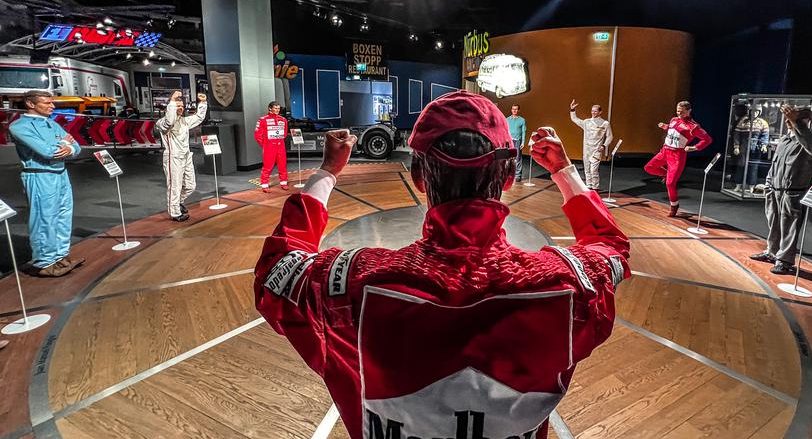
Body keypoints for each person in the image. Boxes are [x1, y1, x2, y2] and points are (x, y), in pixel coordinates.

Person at [255, 91, 630, 439]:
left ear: (418, 177)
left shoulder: (349, 286)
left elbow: (277, 270)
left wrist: (326, 173)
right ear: (511, 175)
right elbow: (610, 246)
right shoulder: (569, 285)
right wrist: (565, 171)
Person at [8, 90, 83, 277]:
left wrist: (67, 146)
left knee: (63, 215)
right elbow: (47, 152)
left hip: (60, 174)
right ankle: (46, 262)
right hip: (40, 176)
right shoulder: (19, 126)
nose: (52, 106)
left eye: (52, 102)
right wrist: (64, 144)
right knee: (44, 218)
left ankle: (60, 256)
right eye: (47, 103)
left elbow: (77, 147)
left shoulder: (52, 123)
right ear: (30, 104)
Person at [749, 105, 812, 275]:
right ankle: (772, 252)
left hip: (792, 192)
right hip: (775, 189)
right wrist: (768, 184)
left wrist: (798, 123)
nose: (790, 121)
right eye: (790, 117)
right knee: (773, 222)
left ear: (807, 120)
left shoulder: (809, 141)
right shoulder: (784, 140)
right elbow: (775, 164)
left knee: (789, 227)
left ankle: (785, 260)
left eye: (797, 117)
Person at [644, 100, 712, 216]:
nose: (679, 114)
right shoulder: (674, 119)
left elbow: (707, 139)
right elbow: (673, 129)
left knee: (670, 184)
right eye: (677, 111)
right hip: (664, 151)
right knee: (649, 168)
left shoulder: (693, 126)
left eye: (681, 112)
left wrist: (694, 147)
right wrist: (664, 126)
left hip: (677, 156)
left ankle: (674, 206)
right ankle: (666, 174)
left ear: (689, 111)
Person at [156, 90, 207, 222]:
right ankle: (174, 212)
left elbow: (199, 118)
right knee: (175, 186)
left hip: (186, 156)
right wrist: (173, 100)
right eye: (178, 106)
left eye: (182, 106)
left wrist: (203, 103)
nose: (180, 108)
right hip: (173, 157)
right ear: (171, 106)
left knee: (191, 185)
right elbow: (169, 121)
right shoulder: (162, 123)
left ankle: (178, 201)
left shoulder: (184, 121)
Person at [569, 99, 613, 190]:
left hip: (596, 150)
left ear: (600, 112)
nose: (593, 112)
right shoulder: (587, 122)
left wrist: (604, 145)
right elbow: (575, 119)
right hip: (587, 149)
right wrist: (572, 110)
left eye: (595, 111)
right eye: (592, 111)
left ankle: (595, 187)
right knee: (587, 169)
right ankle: (588, 186)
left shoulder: (605, 123)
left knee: (594, 170)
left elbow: (610, 136)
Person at [255, 101, 289, 192]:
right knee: (267, 166)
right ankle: (265, 184)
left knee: (282, 165)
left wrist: (279, 141)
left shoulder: (283, 120)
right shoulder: (262, 120)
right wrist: (265, 144)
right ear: (270, 108)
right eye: (275, 108)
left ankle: (284, 182)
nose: (277, 110)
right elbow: (257, 134)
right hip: (269, 147)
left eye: (278, 108)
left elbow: (284, 133)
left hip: (281, 146)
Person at [506, 104, 526, 181]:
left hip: (517, 141)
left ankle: (518, 175)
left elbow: (523, 132)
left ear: (518, 110)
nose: (514, 110)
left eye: (516, 109)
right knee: (508, 158)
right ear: (511, 110)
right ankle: (509, 174)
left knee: (518, 158)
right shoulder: (507, 119)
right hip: (509, 140)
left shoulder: (522, 120)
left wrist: (523, 142)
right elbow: (505, 131)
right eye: (513, 109)